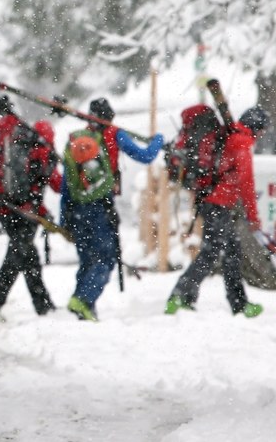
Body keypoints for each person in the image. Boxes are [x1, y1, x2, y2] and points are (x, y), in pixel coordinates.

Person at [61, 98, 163, 322]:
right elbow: (145, 156)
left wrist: (64, 217)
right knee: (106, 259)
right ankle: (83, 299)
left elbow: (66, 183)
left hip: (76, 208)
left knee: (87, 260)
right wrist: (158, 141)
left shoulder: (76, 141)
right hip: (101, 207)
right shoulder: (115, 135)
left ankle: (85, 307)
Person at [166, 106, 270, 317]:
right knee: (213, 252)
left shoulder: (230, 135)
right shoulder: (241, 142)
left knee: (231, 252)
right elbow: (246, 183)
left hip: (211, 200)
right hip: (217, 203)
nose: (262, 136)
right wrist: (253, 217)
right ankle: (181, 294)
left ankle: (237, 304)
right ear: (257, 128)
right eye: (263, 131)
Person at [0, 109, 61, 323]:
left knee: (30, 260)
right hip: (23, 216)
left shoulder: (17, 149)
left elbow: (13, 187)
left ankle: (44, 307)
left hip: (7, 210)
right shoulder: (42, 153)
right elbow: (49, 187)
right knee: (15, 260)